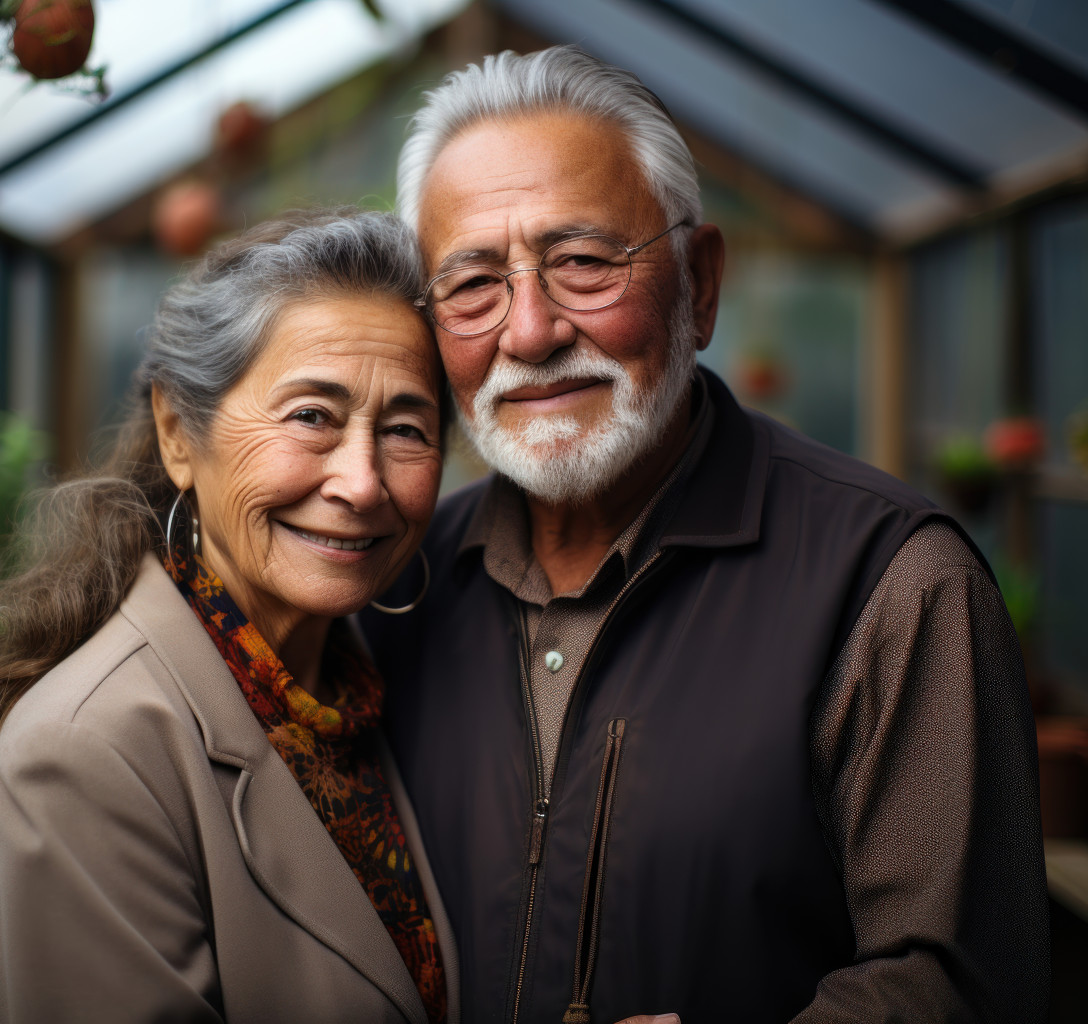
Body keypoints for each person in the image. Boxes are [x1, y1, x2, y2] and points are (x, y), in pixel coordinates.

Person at [360, 47, 1048, 1024]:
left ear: (701, 282)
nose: (528, 331)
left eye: (582, 263)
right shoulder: (399, 582)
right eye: (472, 284)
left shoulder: (888, 584)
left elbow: (964, 982)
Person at [0, 209, 458, 1023]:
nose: (362, 483)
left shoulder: (347, 693)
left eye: (405, 429)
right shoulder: (83, 757)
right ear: (179, 432)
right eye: (311, 416)